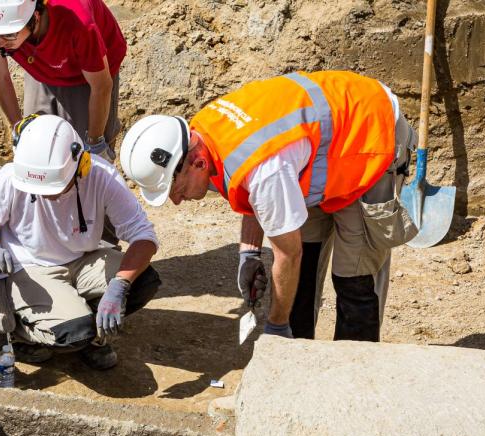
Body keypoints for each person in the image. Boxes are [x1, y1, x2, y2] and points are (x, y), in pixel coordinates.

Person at [120, 71, 419, 342]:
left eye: (176, 189)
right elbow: (249, 184)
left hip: (369, 138)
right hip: (317, 149)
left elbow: (287, 251)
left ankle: (353, 381)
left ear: (197, 162)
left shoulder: (265, 171)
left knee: (354, 279)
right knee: (303, 272)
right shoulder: (204, 131)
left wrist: (276, 327)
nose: (175, 200)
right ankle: (300, 364)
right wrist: (248, 252)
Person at [0, 115, 160, 369]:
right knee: (74, 333)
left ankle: (91, 333)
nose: (46, 196)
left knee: (142, 280)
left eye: (54, 187)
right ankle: (22, 330)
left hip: (83, 260)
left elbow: (144, 238)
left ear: (80, 164)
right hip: (31, 268)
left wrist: (119, 287)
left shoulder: (101, 176)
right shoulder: (13, 177)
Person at [0, 0, 126, 159]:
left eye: (9, 35)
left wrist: (95, 142)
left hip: (90, 71)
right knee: (38, 147)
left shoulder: (77, 20)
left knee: (83, 157)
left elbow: (101, 86)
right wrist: (18, 128)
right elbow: (0, 75)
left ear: (35, 16)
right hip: (40, 64)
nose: (0, 43)